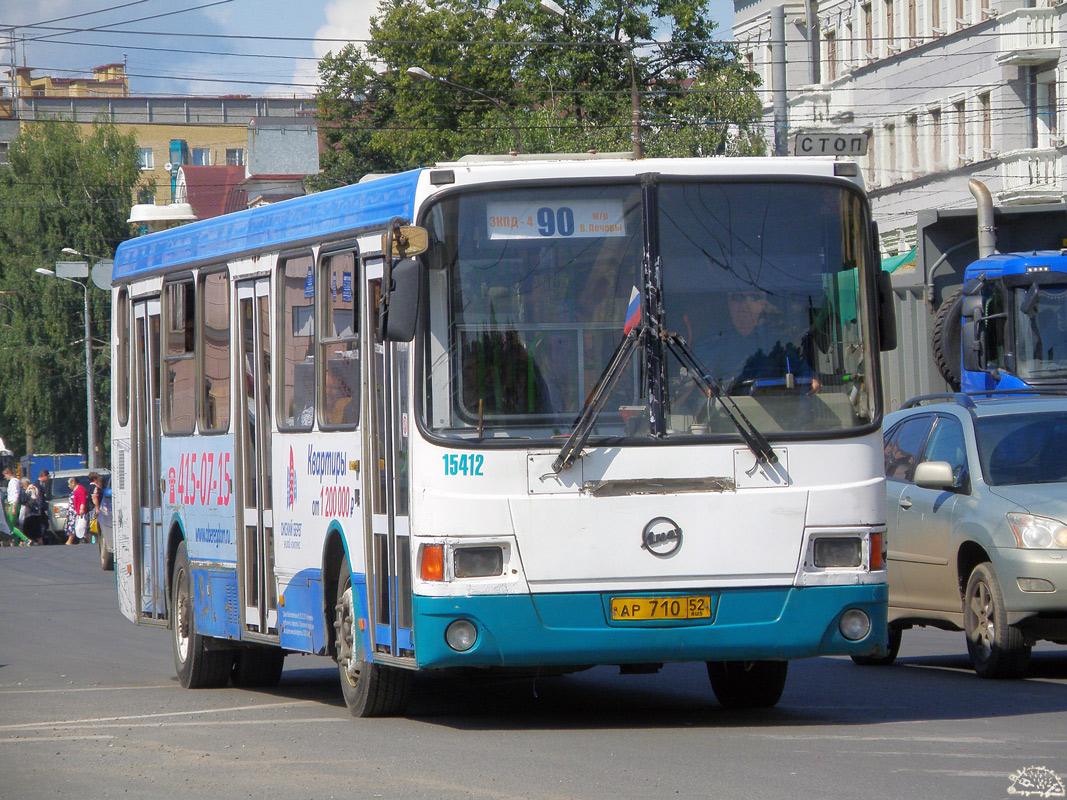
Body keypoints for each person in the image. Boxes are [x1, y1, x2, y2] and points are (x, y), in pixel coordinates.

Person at [2, 467, 29, 546]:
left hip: (13, 504)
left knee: (10, 526)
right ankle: (16, 542)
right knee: (13, 525)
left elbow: (15, 494)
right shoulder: (16, 481)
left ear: (9, 474)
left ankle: (25, 539)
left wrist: (13, 506)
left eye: (5, 475)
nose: (5, 477)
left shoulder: (12, 482)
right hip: (15, 504)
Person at [65, 476, 88, 546]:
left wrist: (81, 509)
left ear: (73, 482)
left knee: (78, 526)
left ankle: (70, 541)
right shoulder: (75, 490)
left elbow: (82, 500)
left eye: (69, 484)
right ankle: (87, 540)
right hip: (74, 511)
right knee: (78, 526)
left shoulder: (80, 489)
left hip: (78, 511)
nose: (69, 486)